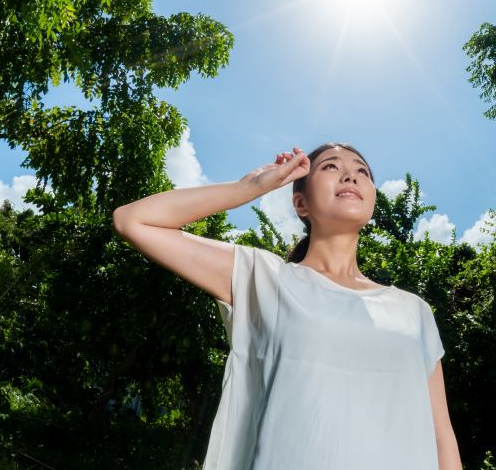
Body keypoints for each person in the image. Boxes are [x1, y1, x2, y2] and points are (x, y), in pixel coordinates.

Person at [113, 142, 462, 470]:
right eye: (330, 166)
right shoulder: (263, 279)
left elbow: (441, 436)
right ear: (301, 203)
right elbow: (133, 220)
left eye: (363, 172)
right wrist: (248, 188)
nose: (351, 175)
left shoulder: (414, 312)